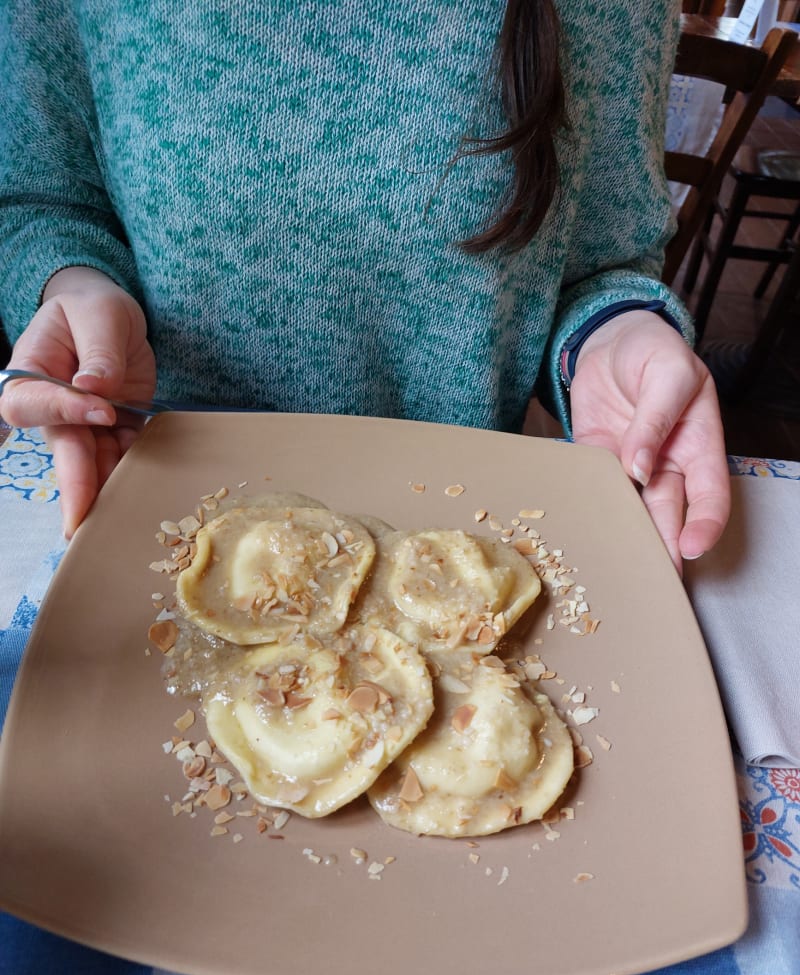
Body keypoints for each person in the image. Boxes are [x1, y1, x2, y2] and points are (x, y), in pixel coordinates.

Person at [0, 0, 729, 571]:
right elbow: (42, 197)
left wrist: (620, 330)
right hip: (157, 505)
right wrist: (77, 284)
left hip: (463, 532)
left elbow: (604, 259)